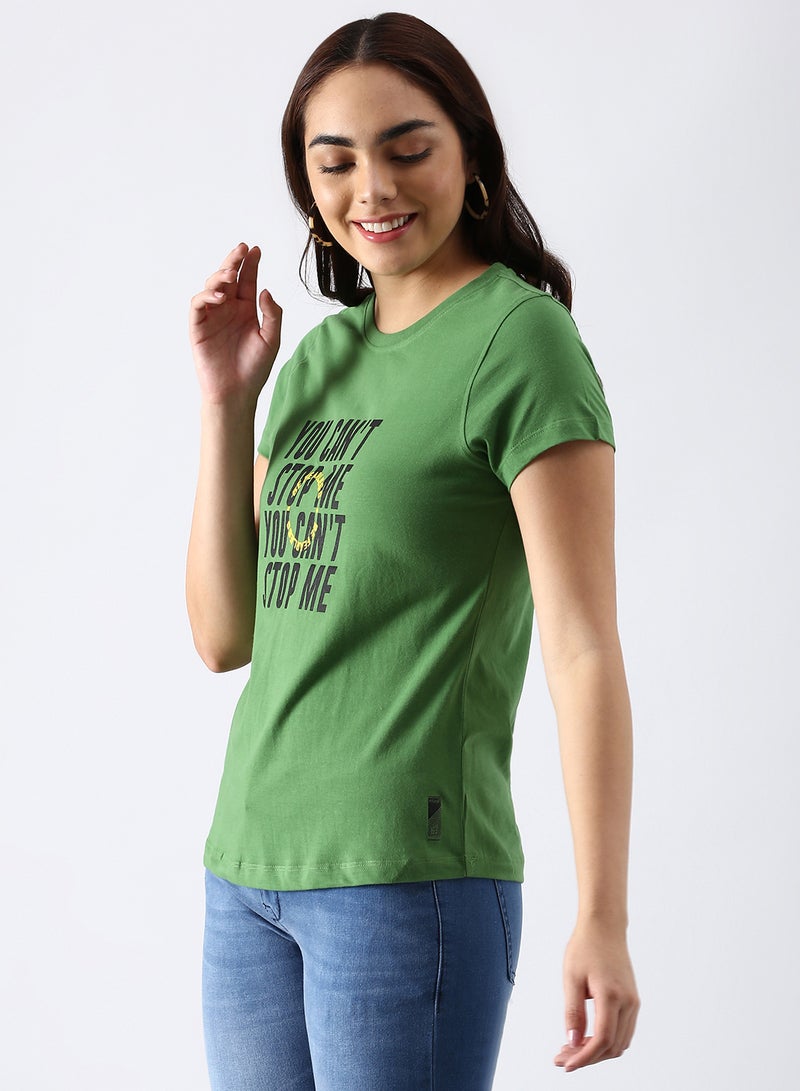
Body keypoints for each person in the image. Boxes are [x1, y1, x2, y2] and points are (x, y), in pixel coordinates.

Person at [186, 12, 639, 1090]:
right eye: (335, 162)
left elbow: (582, 645)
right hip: (246, 870)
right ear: (307, 186)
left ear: (470, 154)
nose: (373, 189)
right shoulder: (317, 360)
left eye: (406, 148)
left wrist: (603, 914)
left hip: (407, 879)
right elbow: (224, 635)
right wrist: (226, 404)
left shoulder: (519, 340)